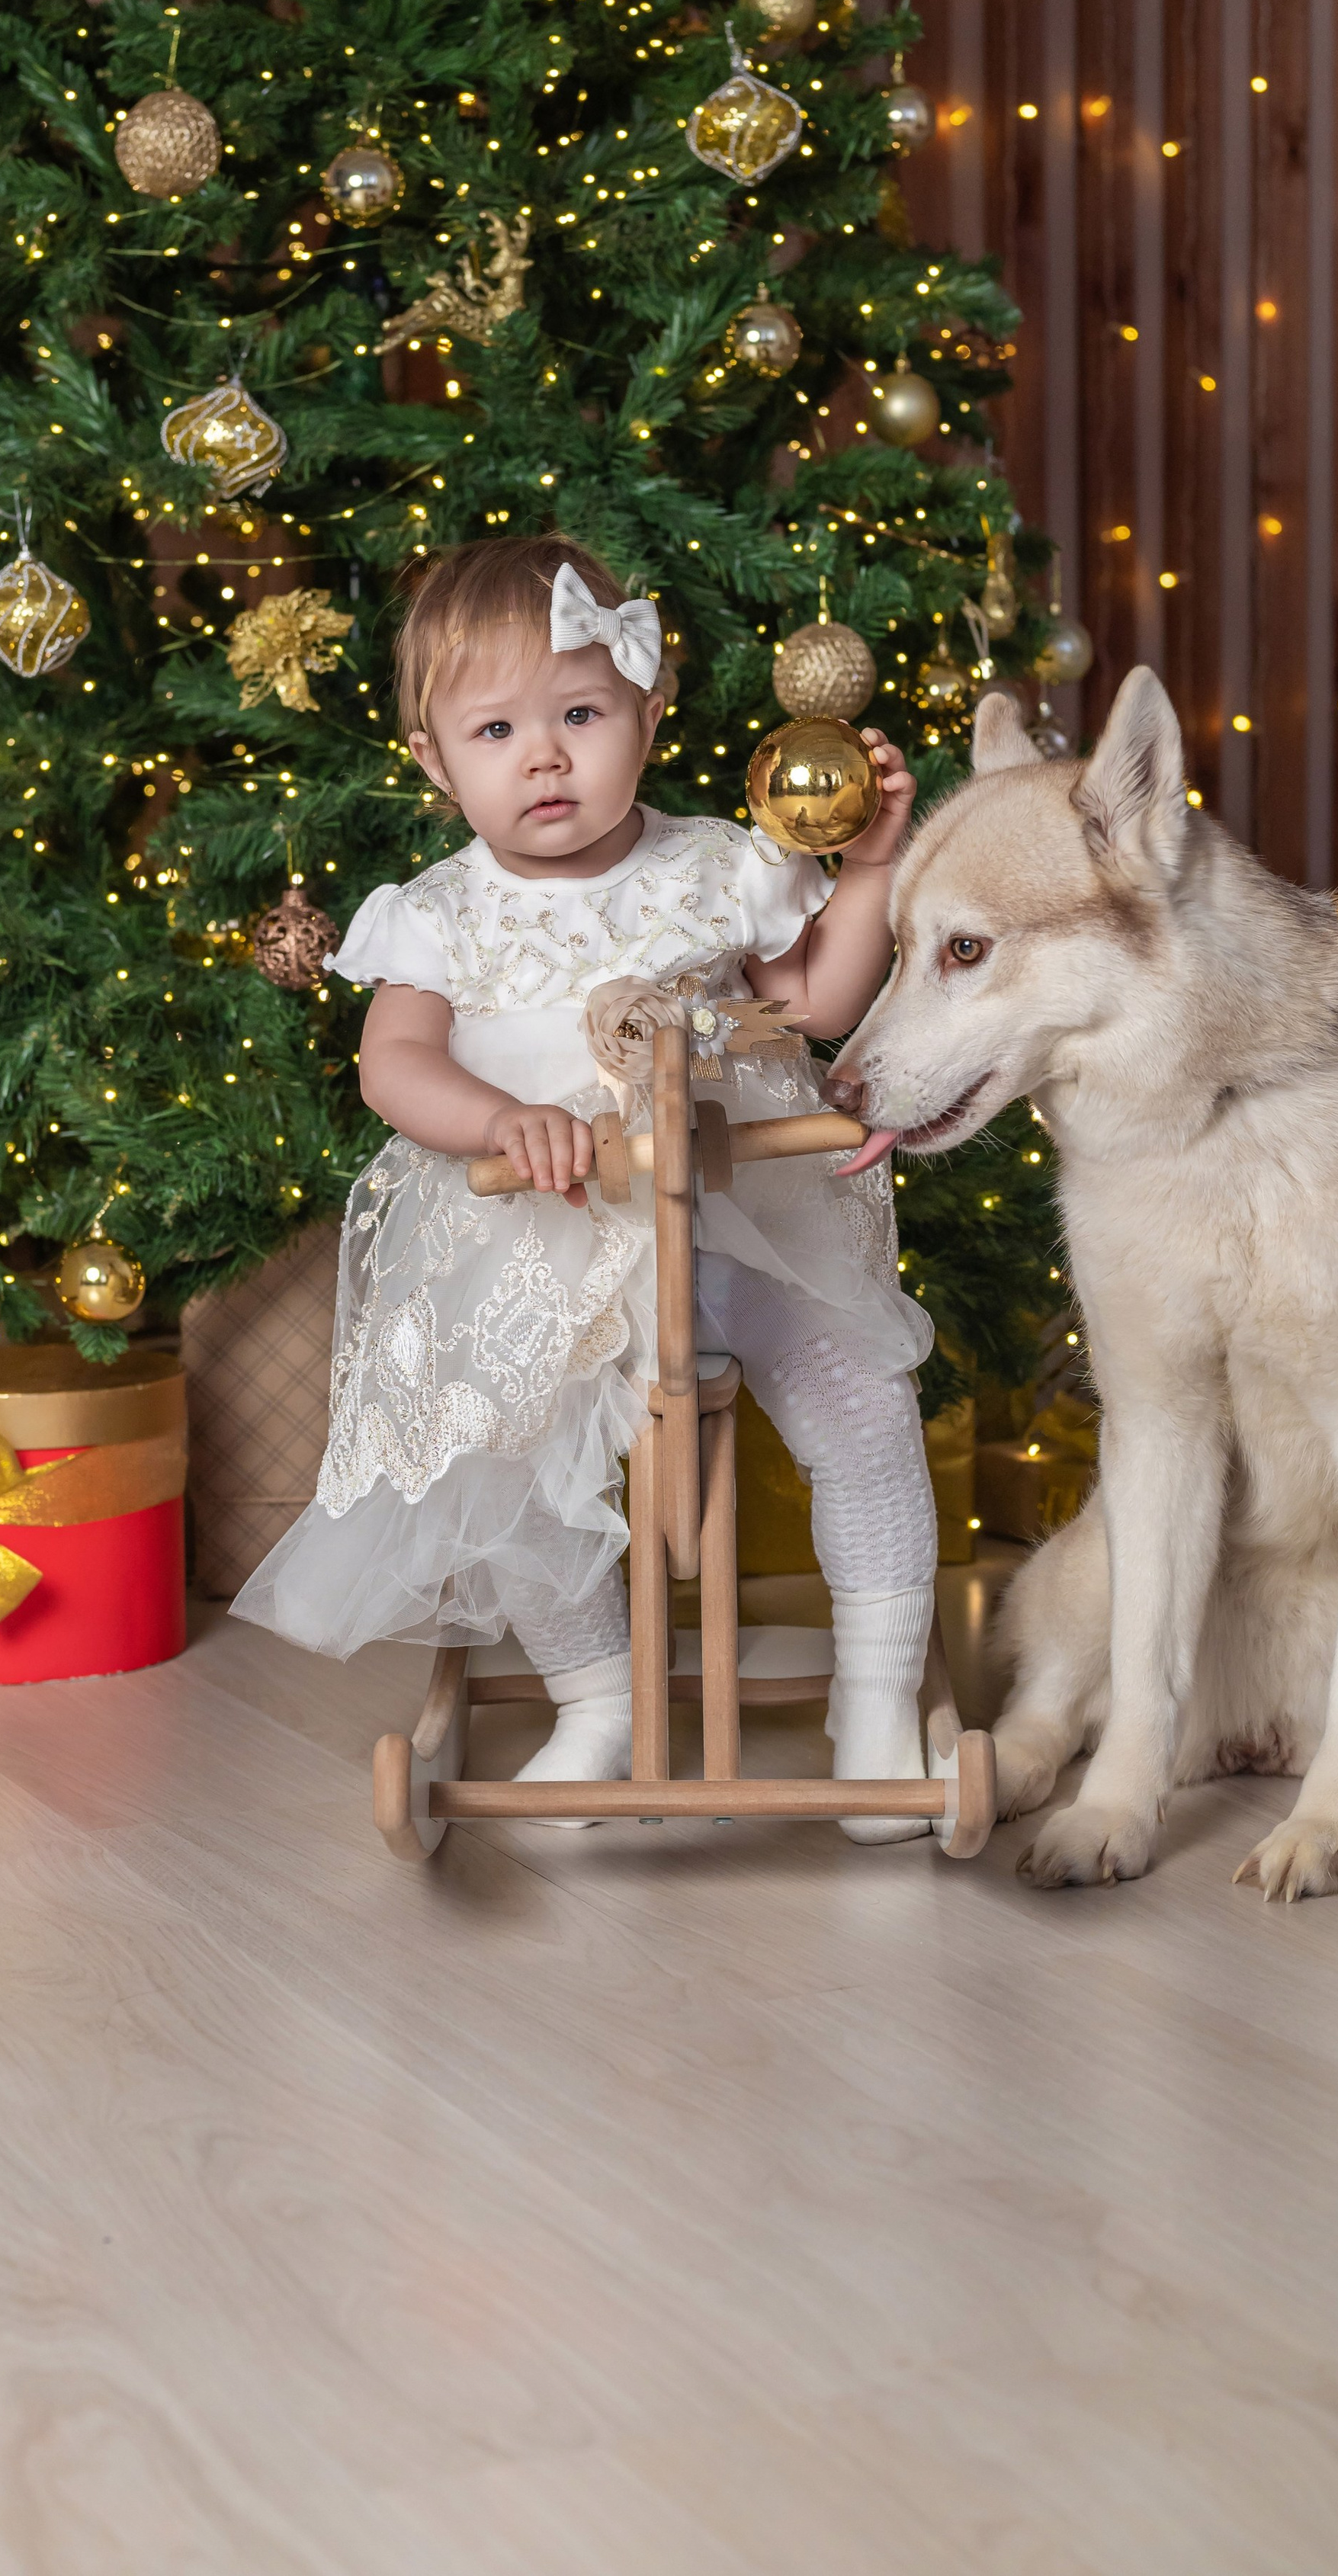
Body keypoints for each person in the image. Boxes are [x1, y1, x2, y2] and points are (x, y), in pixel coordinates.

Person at [233, 534, 942, 1839]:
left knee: (860, 1397)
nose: (545, 756)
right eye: (497, 729)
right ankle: (594, 1695)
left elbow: (818, 1002)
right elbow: (393, 1064)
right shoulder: (440, 912)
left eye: (579, 713)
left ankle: (880, 1692)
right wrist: (506, 1117)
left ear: (648, 712)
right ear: (438, 763)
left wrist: (875, 870)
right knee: (516, 1450)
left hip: (741, 1218)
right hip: (540, 1238)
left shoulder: (718, 862)